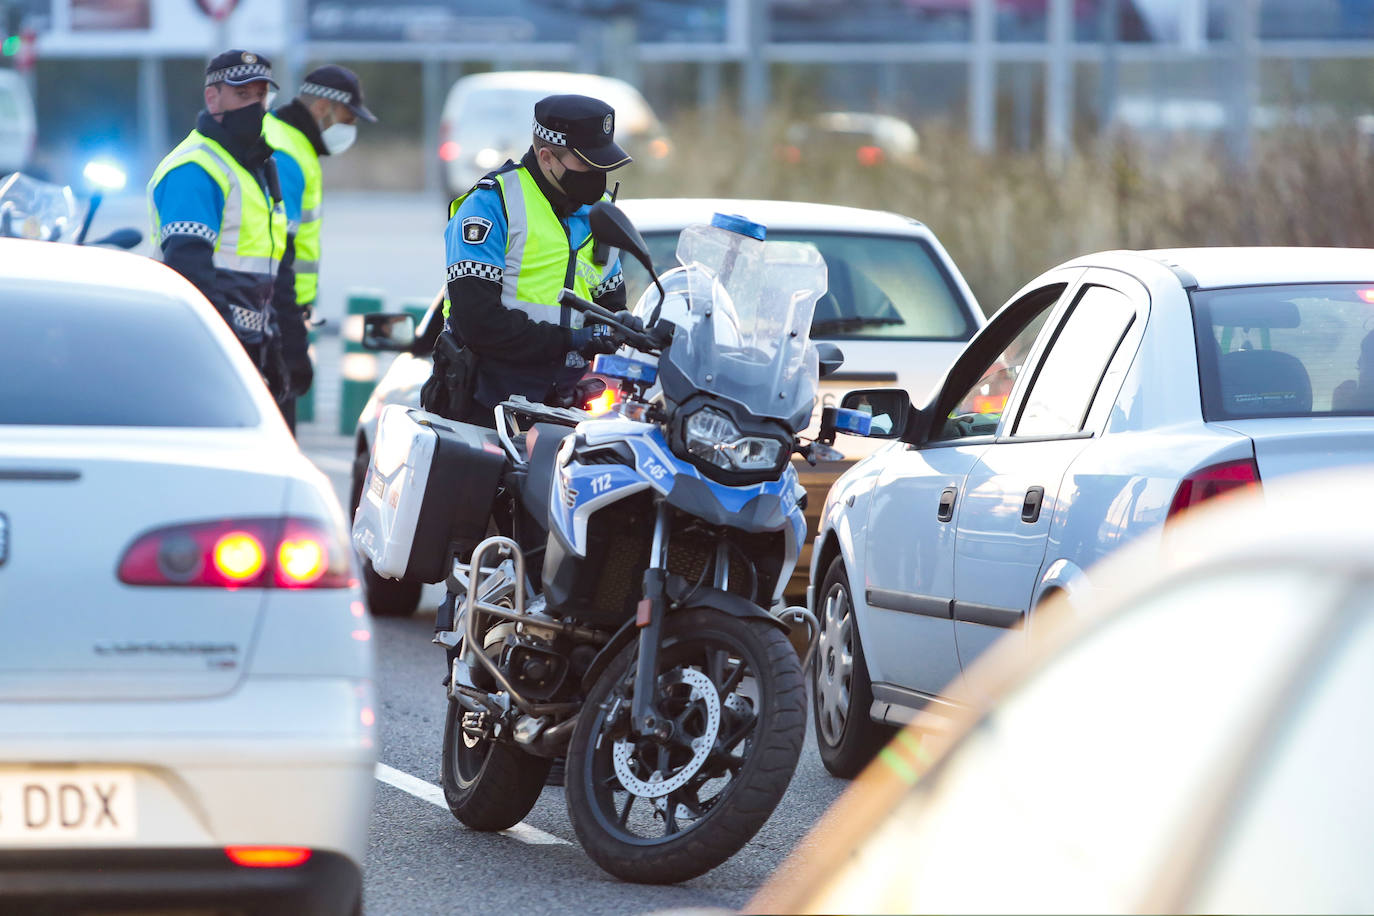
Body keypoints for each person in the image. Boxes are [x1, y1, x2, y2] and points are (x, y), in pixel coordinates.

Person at [426, 93, 636, 429]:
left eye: (604, 165)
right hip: (487, 404)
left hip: (571, 407)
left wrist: (625, 330)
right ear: (547, 156)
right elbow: (478, 322)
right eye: (587, 163)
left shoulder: (600, 214)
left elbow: (610, 306)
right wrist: (571, 340)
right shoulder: (491, 206)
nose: (599, 175)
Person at [148, 50, 289, 399]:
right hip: (202, 351)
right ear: (213, 98)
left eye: (261, 96)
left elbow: (263, 267)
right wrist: (229, 348)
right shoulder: (195, 168)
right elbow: (189, 268)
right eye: (243, 95)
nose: (255, 106)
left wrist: (272, 342)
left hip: (245, 348)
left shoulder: (253, 163)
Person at [264, 65, 378, 433]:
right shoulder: (287, 152)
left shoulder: (290, 143)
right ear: (323, 107)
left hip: (277, 310)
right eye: (348, 117)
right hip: (272, 314)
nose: (350, 128)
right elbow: (279, 250)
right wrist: (291, 339)